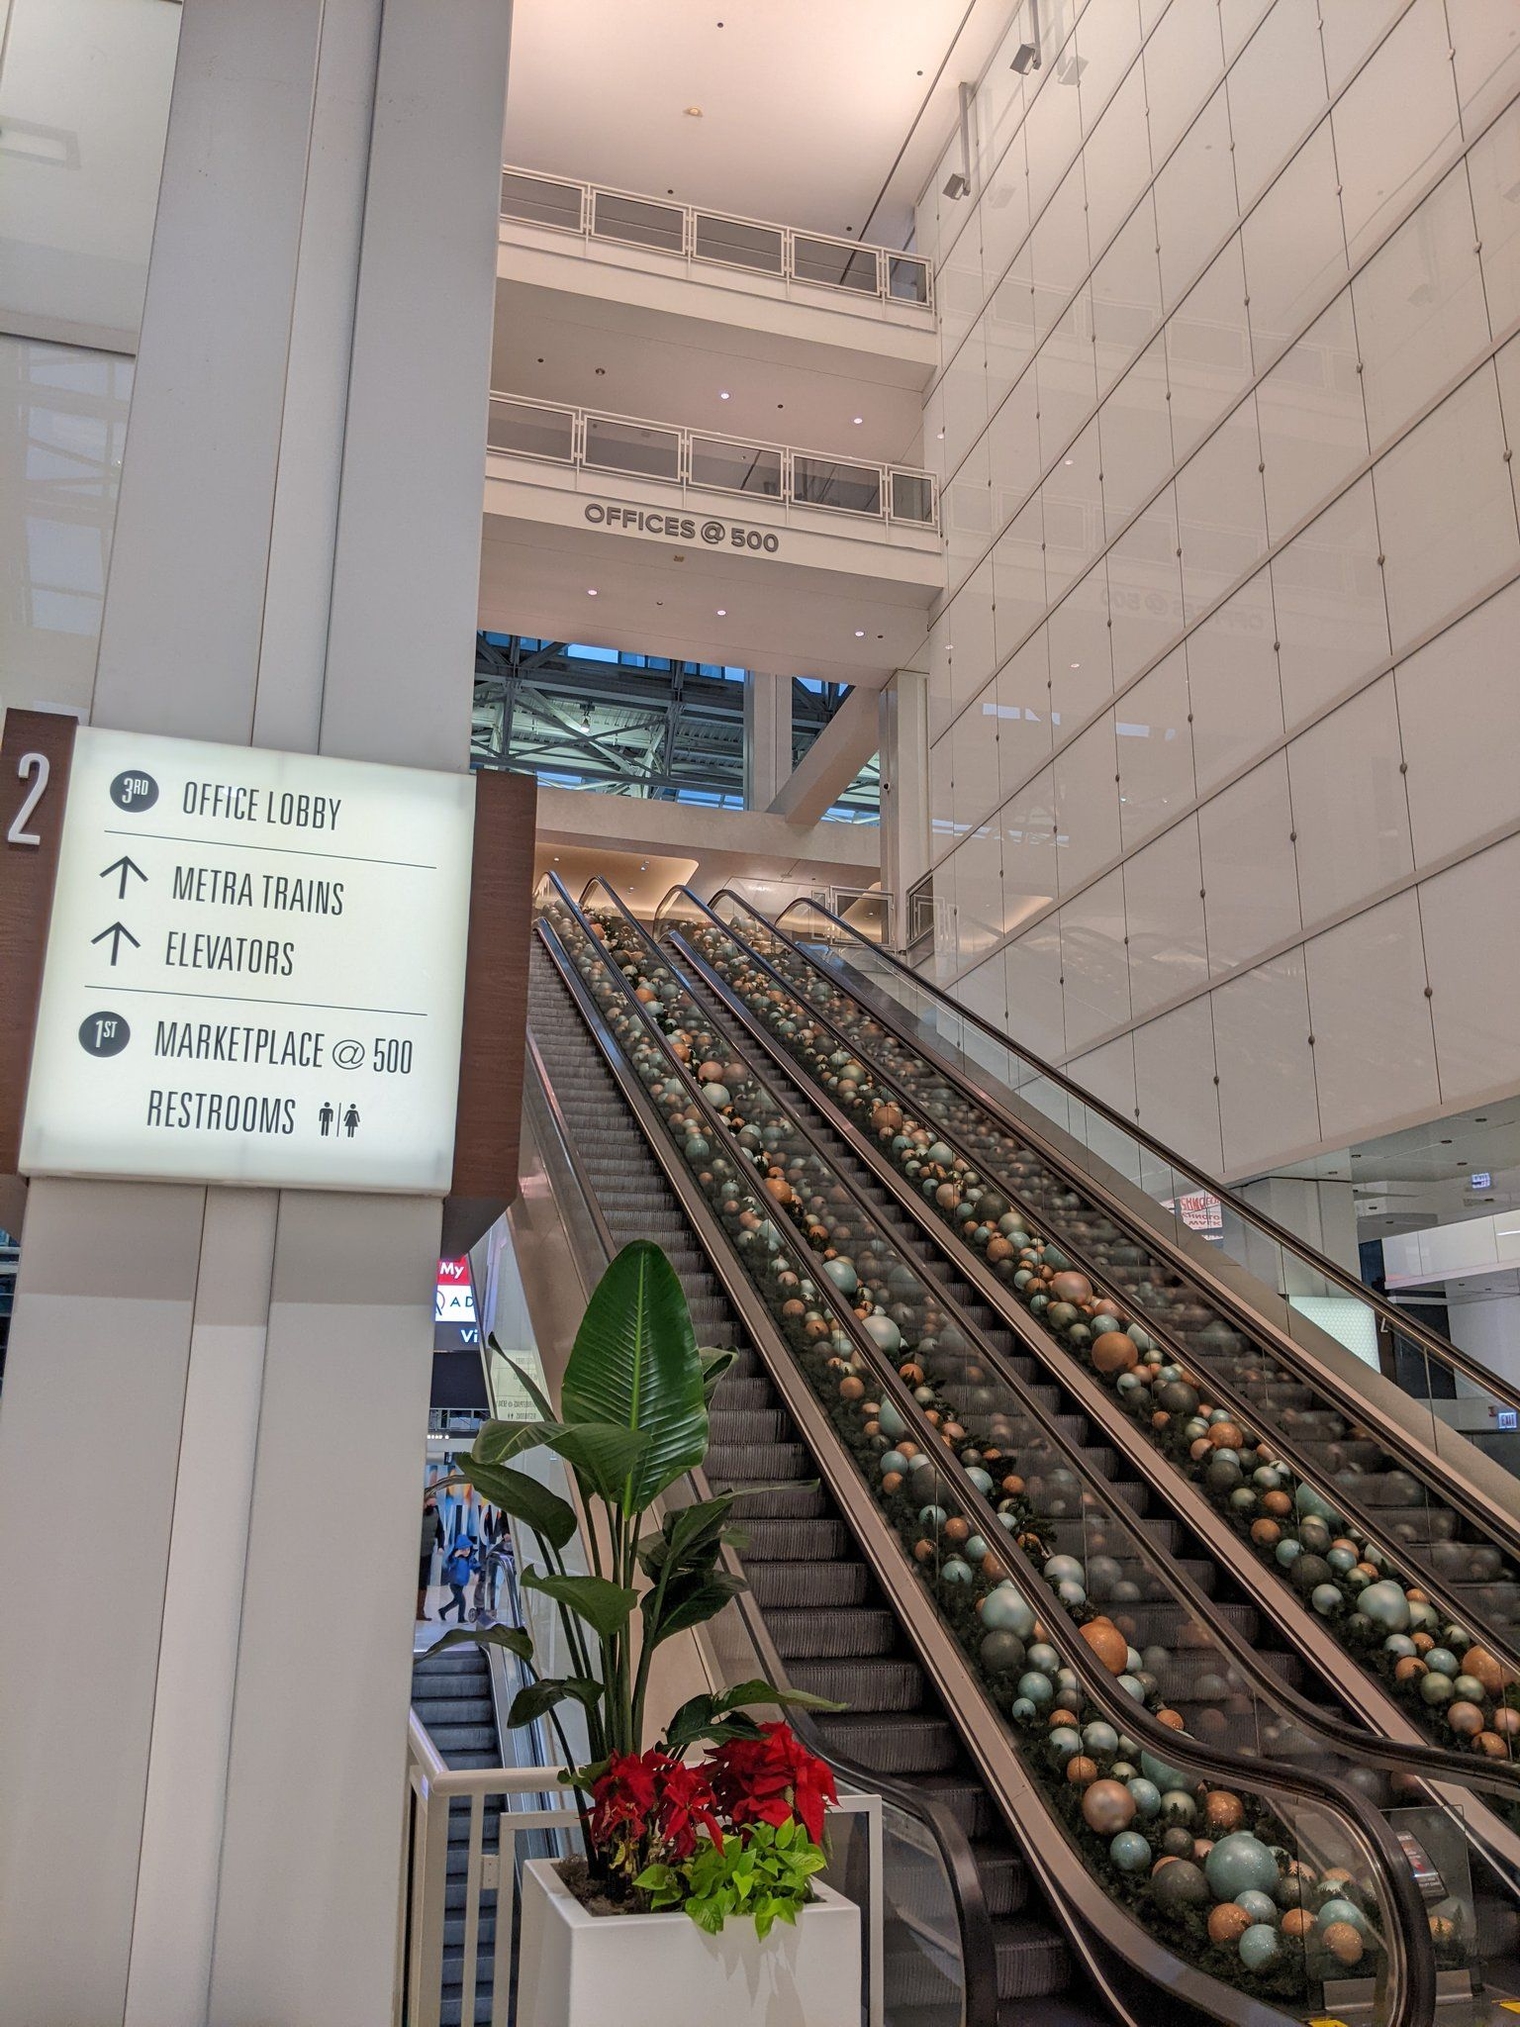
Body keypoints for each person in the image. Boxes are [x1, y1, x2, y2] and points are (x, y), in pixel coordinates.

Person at [439, 1537, 478, 1624]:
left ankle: (443, 1611)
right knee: (462, 1601)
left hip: (461, 1583)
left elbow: (476, 1566)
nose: (466, 1552)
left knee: (457, 1600)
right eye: (463, 1550)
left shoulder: (469, 1559)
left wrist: (477, 1574)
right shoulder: (455, 1559)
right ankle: (460, 1618)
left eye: (468, 1549)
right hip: (454, 1583)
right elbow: (449, 1563)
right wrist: (455, 1556)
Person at [417, 1494, 443, 1621]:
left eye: (434, 1505)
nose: (432, 1507)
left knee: (423, 1582)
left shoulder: (435, 1514)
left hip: (427, 1552)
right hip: (415, 1553)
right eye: (430, 1504)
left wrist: (441, 1545)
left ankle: (419, 1611)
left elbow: (440, 1531)